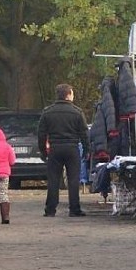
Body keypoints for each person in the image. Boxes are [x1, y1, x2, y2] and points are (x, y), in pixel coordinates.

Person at [38, 83, 90, 217]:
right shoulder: (77, 112)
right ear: (68, 95)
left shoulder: (47, 112)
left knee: (53, 179)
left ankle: (50, 209)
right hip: (72, 148)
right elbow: (84, 133)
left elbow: (41, 134)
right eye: (72, 93)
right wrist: (86, 150)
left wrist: (43, 151)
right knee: (73, 179)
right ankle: (74, 209)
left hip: (55, 148)